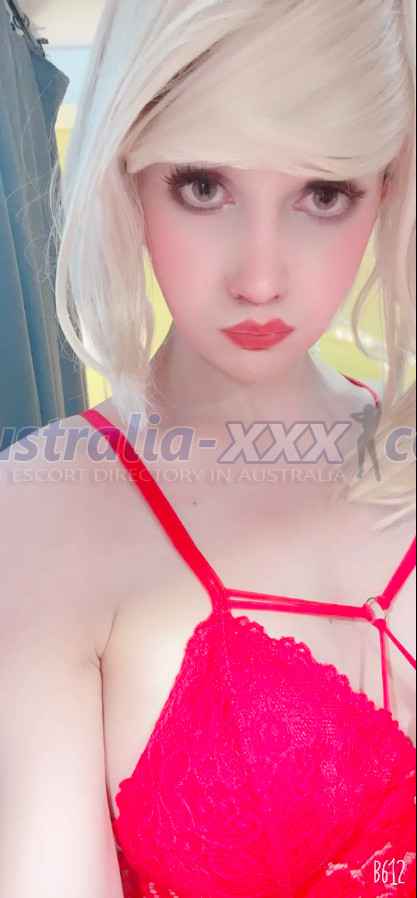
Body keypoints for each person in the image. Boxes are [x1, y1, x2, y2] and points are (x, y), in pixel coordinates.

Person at [0, 1, 416, 896]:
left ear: (385, 185)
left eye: (323, 193)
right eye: (201, 186)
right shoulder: (39, 511)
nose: (258, 278)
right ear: (129, 175)